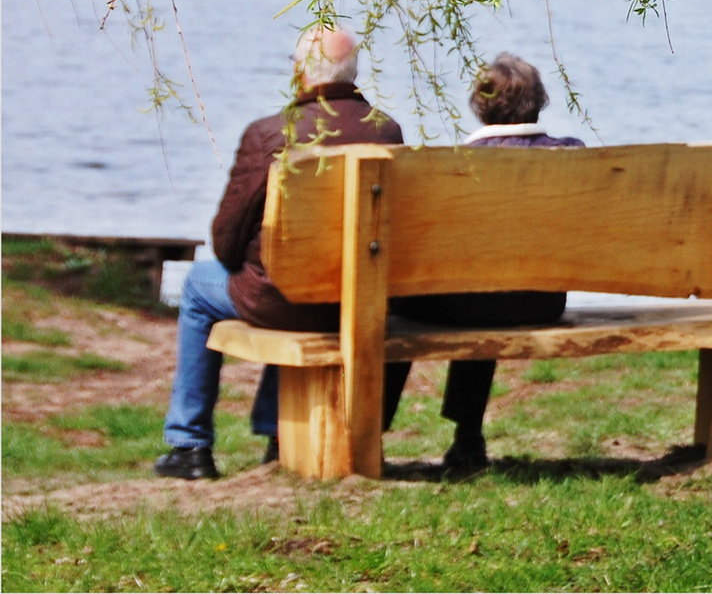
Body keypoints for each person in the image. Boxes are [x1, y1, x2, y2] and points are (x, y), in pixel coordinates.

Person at [155, 27, 404, 479]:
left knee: (197, 285)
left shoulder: (270, 133)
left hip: (283, 299)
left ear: (299, 73)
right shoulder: (385, 129)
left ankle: (189, 444)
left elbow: (226, 242)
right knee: (290, 277)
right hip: (355, 299)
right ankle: (276, 433)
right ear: (353, 74)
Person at [383, 53, 583, 473]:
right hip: (541, 303)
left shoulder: (457, 167)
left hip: (469, 305)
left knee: (400, 304)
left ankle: (376, 429)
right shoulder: (573, 156)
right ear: (539, 101)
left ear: (479, 104)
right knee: (490, 283)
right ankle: (467, 437)